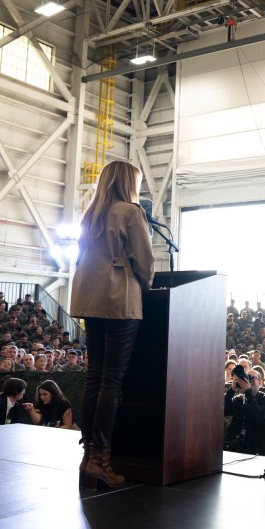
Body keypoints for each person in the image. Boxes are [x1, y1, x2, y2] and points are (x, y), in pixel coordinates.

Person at [69, 160, 155, 489]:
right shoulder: (131, 213)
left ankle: (87, 457)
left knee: (94, 377)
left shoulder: (91, 214)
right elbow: (144, 261)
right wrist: (144, 285)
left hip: (89, 297)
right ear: (127, 182)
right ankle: (101, 460)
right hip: (120, 299)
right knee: (112, 381)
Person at [224, 366, 265, 454]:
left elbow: (258, 415)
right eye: (247, 377)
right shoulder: (239, 399)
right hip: (237, 445)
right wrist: (232, 389)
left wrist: (248, 391)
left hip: (256, 446)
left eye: (252, 378)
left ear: (260, 382)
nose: (249, 380)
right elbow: (224, 410)